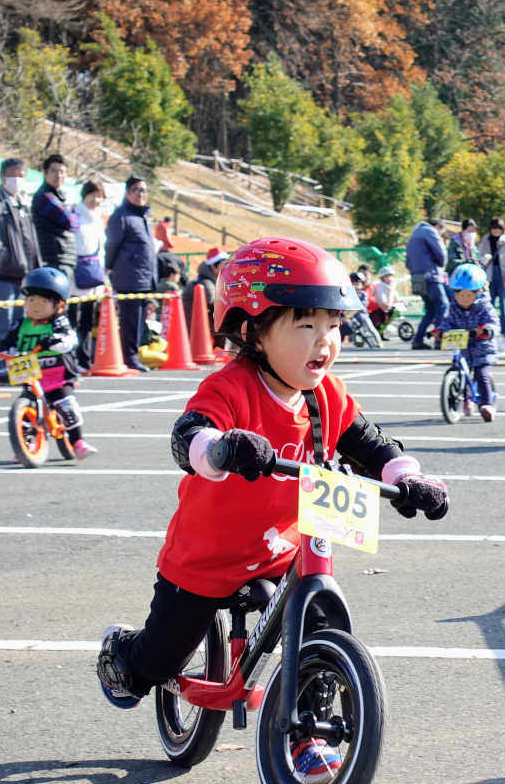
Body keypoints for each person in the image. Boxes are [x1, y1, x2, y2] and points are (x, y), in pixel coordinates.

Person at [94, 237, 449, 736]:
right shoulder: (231, 388)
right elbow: (189, 434)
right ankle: (123, 654)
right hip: (206, 556)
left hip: (283, 553)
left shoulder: (325, 396)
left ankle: (311, 732)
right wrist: (220, 448)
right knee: (157, 660)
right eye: (305, 325)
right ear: (252, 330)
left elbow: (370, 443)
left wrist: (407, 479)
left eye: (333, 325)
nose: (324, 340)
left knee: (324, 627)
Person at [0, 267, 96, 459]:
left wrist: (55, 340)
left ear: (57, 305)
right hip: (30, 374)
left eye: (43, 301)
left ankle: (77, 442)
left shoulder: (59, 322)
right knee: (26, 411)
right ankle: (25, 445)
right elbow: (8, 341)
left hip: (56, 375)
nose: (36, 306)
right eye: (31, 300)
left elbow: (70, 339)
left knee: (66, 405)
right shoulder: (21, 324)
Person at [0, 158, 42, 376]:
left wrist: (36, 268)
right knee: (1, 322)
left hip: (24, 274)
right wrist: (3, 258)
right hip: (1, 273)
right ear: (2, 176)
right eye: (12, 175)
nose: (17, 180)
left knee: (22, 324)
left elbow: (32, 239)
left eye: (21, 175)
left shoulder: (24, 204)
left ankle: (19, 366)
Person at [105, 176, 157, 372]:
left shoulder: (143, 217)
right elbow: (112, 245)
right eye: (135, 190)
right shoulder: (121, 216)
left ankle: (133, 354)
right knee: (130, 320)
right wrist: (108, 267)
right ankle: (129, 356)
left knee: (139, 319)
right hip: (129, 277)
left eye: (143, 190)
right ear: (127, 193)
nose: (140, 194)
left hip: (144, 278)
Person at [438, 263, 500, 421]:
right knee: (462, 373)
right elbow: (447, 323)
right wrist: (440, 331)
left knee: (481, 374)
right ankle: (466, 400)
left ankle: (487, 404)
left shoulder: (484, 306)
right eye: (459, 293)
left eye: (469, 293)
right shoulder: (454, 308)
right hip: (463, 347)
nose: (463, 297)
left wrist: (487, 330)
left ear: (478, 291)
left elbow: (493, 322)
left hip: (483, 348)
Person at [73, 180, 108, 370]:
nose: (96, 199)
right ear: (84, 195)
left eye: (100, 196)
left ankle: (84, 359)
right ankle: (72, 360)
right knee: (72, 319)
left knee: (87, 320)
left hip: (94, 275)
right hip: (76, 274)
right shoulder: (76, 215)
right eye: (92, 195)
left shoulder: (98, 218)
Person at [32, 154, 78, 287]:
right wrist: (74, 213)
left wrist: (74, 214)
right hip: (54, 257)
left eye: (62, 172)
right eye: (54, 171)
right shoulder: (44, 197)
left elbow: (75, 223)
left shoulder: (61, 196)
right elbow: (70, 221)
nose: (58, 175)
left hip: (64, 256)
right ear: (45, 173)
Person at [405, 215, 448, 349]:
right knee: (443, 306)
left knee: (430, 310)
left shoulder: (413, 235)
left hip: (416, 277)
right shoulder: (430, 232)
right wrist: (442, 264)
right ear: (438, 227)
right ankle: (440, 340)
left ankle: (418, 340)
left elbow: (407, 261)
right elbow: (440, 253)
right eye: (442, 232)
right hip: (430, 276)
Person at [478, 218, 505, 352]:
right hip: (489, 275)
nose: (496, 230)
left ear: (502, 229)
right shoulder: (485, 240)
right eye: (494, 228)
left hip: (503, 274)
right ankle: (490, 330)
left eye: (498, 228)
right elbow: (481, 258)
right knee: (488, 304)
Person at [183, 247, 228, 330]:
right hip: (194, 327)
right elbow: (214, 303)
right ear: (213, 266)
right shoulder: (205, 282)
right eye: (224, 264)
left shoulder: (209, 280)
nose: (226, 267)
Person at [369, 265, 399, 338]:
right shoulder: (381, 286)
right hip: (379, 307)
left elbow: (396, 295)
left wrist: (401, 301)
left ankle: (382, 333)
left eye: (391, 276)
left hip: (388, 306)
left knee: (389, 318)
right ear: (382, 278)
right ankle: (380, 333)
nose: (389, 278)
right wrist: (385, 303)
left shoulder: (392, 285)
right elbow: (381, 297)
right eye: (387, 276)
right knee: (380, 321)